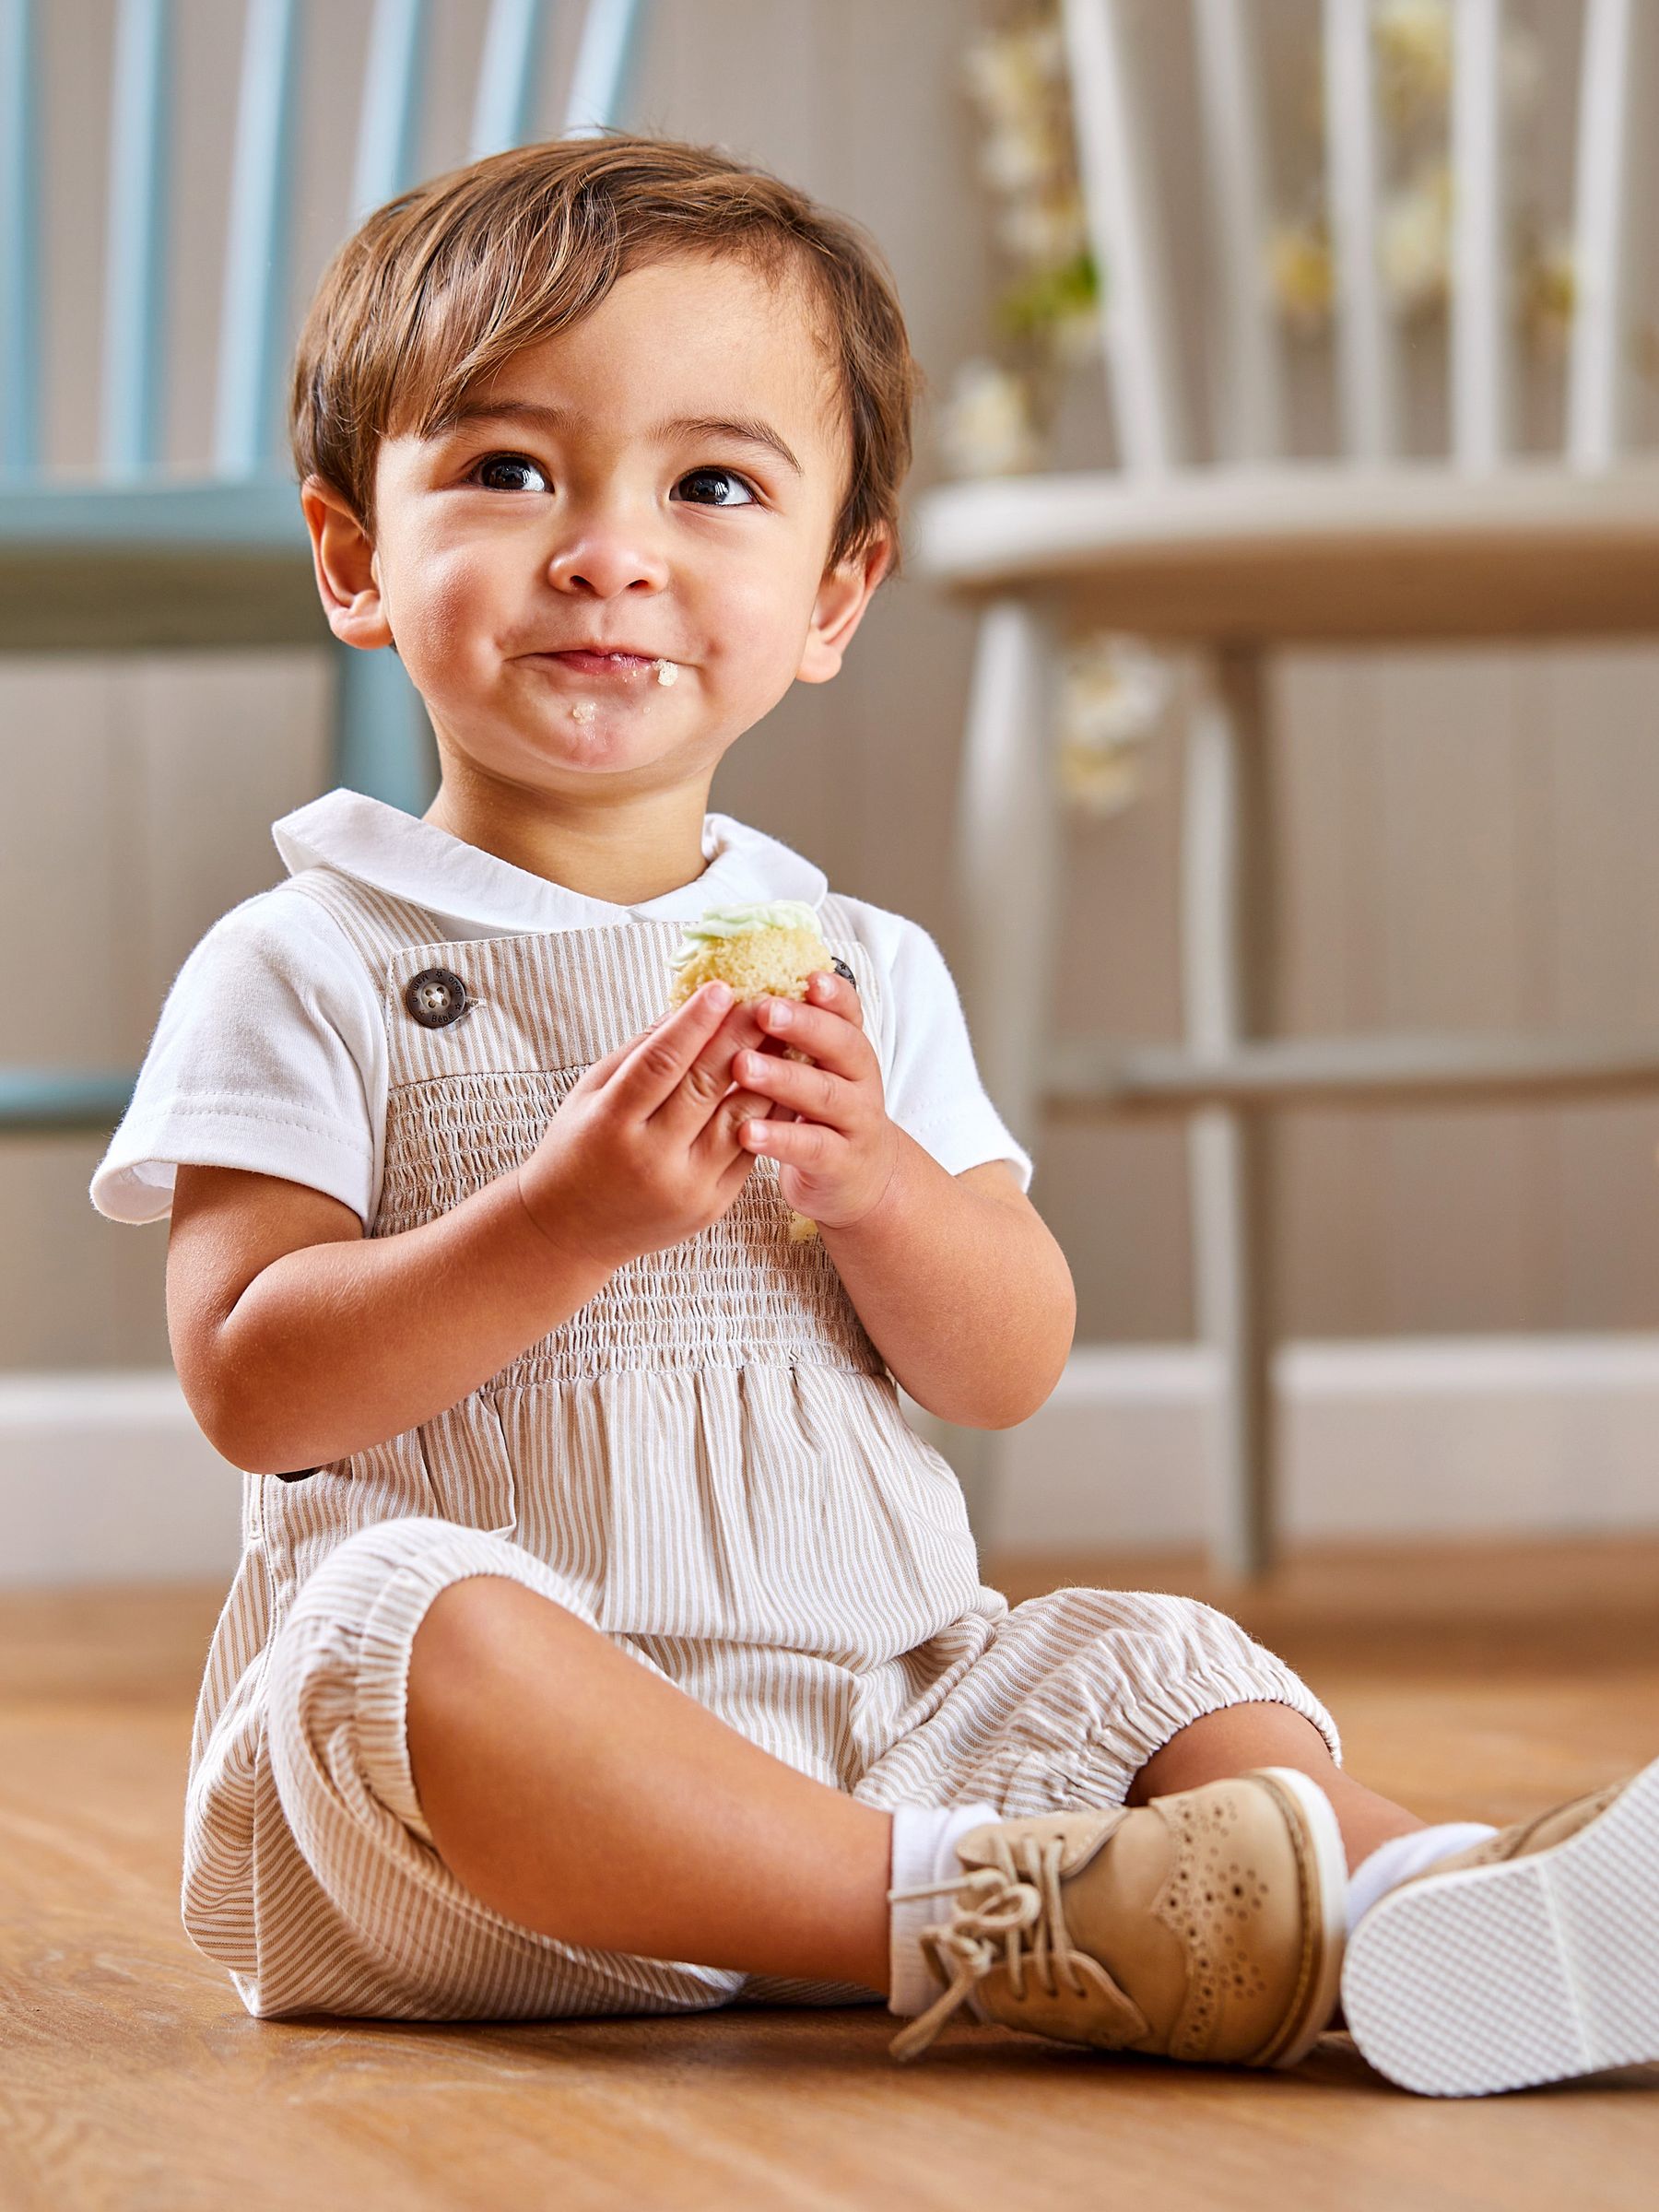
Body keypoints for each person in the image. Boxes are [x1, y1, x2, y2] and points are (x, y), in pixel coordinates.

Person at [90, 133, 1656, 2099]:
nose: (608, 552)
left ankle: (1436, 1906)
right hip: (501, 1841)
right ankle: (979, 1919)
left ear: (836, 594)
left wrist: (887, 1193)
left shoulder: (859, 969)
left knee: (1143, 1661)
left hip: (882, 1721)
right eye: (508, 470)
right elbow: (256, 1384)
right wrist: (556, 1226)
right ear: (354, 559)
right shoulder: (309, 958)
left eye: (712, 487)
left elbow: (1006, 1365)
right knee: (395, 1623)